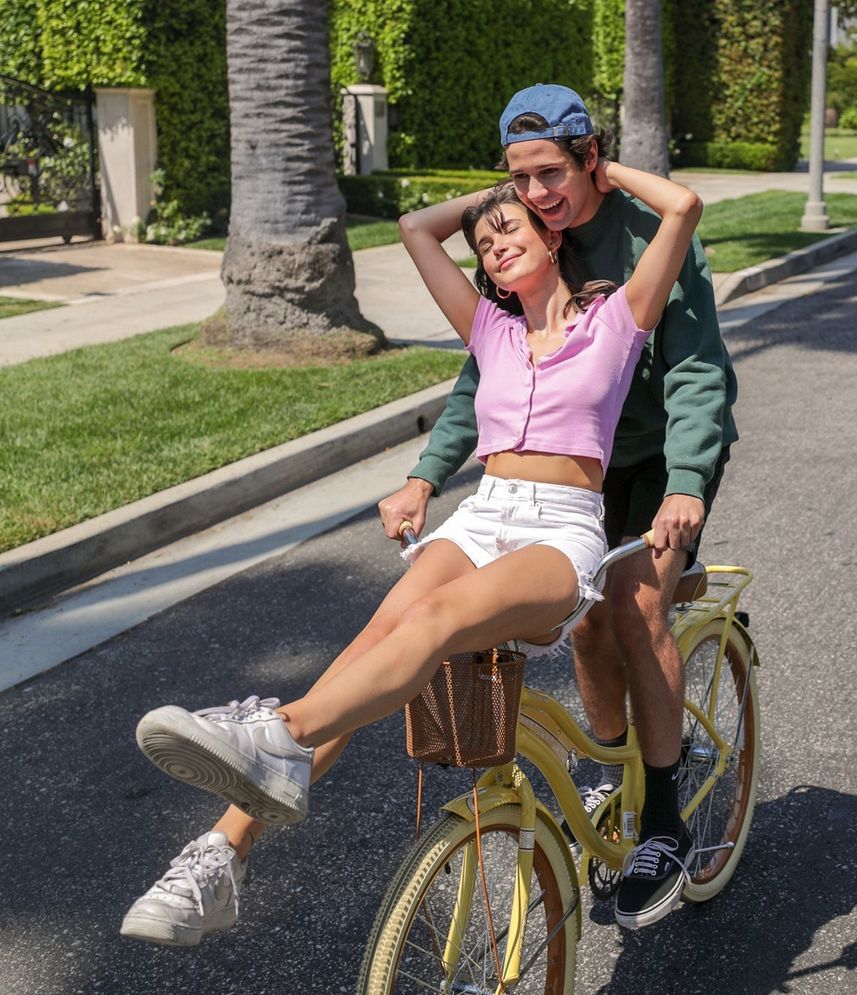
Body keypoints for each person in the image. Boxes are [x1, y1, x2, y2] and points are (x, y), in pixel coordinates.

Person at [120, 150, 704, 946]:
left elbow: (683, 208)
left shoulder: (616, 321)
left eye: (515, 231)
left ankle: (278, 733)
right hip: (482, 513)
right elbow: (414, 228)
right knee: (370, 644)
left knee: (436, 621)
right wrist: (499, 202)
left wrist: (580, 182)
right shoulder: (489, 330)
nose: (496, 245)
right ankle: (219, 856)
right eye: (487, 245)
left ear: (555, 236)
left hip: (561, 529)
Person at [380, 85, 738, 930]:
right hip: (576, 472)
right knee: (580, 623)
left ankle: (662, 823)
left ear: (592, 159)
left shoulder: (650, 236)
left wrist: (688, 479)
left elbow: (695, 369)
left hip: (655, 458)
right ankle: (615, 763)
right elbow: (487, 378)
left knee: (633, 600)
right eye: (518, 179)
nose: (538, 196)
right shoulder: (525, 243)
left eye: (552, 173)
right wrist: (428, 474)